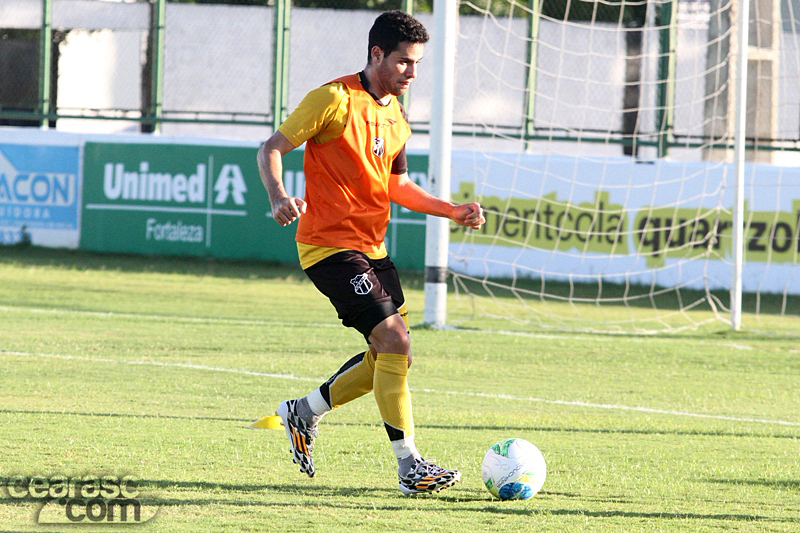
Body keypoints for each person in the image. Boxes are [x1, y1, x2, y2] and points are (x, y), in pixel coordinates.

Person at [256, 10, 485, 496]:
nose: (412, 73)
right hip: (329, 247)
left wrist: (451, 211)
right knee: (396, 342)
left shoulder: (397, 116)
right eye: (404, 62)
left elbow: (397, 185)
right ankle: (410, 467)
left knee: (385, 352)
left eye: (417, 63)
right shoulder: (333, 99)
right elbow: (272, 147)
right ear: (377, 53)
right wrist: (278, 195)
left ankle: (304, 411)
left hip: (372, 248)